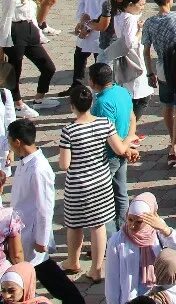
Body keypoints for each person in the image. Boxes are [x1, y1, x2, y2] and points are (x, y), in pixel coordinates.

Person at [57, 84, 136, 282]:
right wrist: (131, 137)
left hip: (77, 186)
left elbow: (64, 165)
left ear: (72, 105)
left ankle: (72, 261)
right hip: (101, 183)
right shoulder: (104, 124)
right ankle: (97, 268)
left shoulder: (68, 131)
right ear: (92, 102)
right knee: (98, 225)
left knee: (74, 225)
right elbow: (119, 149)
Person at [7, 120, 86, 304]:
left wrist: (42, 239)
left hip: (31, 234)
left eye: (10, 140)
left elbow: (45, 207)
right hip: (22, 230)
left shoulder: (39, 168)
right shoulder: (26, 162)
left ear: (18, 142)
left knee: (46, 273)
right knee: (39, 272)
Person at [103, 193, 176, 304]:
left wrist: (165, 229)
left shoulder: (157, 232)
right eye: (130, 219)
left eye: (139, 222)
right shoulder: (117, 241)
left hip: (157, 293)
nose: (132, 226)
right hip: (132, 298)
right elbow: (112, 280)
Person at [141, 0, 176, 168]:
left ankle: (172, 138)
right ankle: (174, 146)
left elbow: (146, 50)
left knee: (167, 105)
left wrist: (150, 71)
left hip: (161, 67)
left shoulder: (150, 22)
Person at [1, 0, 58, 118]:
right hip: (16, 34)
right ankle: (17, 104)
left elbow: (33, 17)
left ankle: (39, 99)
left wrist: (40, 34)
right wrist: (2, 45)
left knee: (48, 67)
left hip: (30, 32)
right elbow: (5, 21)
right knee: (14, 72)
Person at [87, 62, 137, 234]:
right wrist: (129, 141)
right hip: (122, 149)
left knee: (102, 199)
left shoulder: (101, 103)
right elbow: (132, 118)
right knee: (121, 193)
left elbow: (106, 134)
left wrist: (123, 147)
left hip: (107, 155)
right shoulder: (122, 92)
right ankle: (126, 231)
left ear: (93, 82)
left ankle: (109, 239)